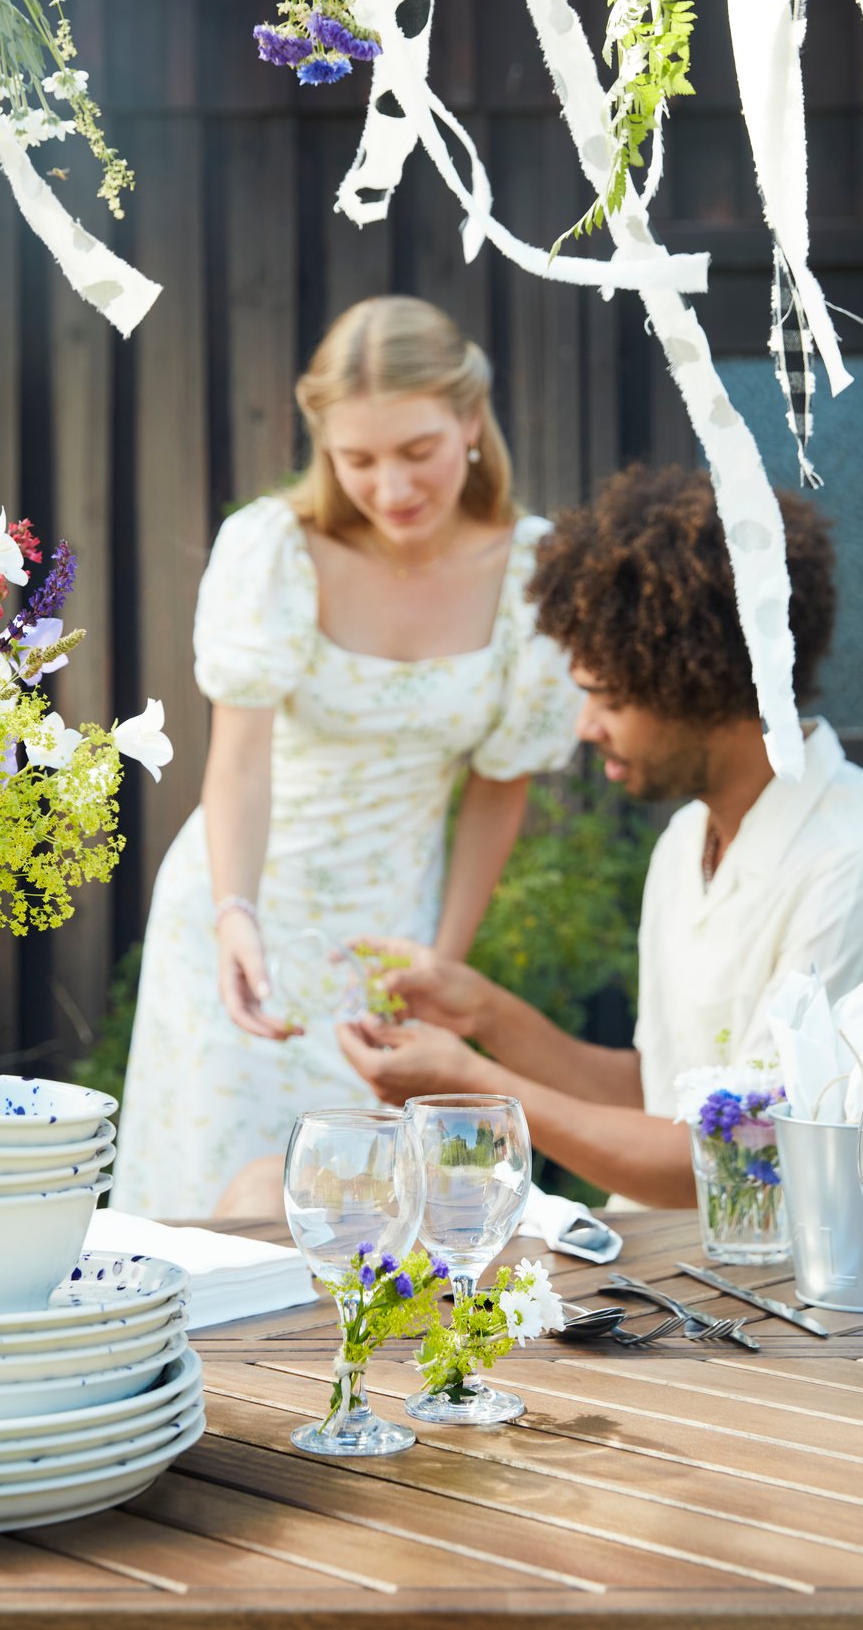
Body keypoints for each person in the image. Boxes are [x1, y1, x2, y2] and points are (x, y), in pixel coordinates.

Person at [337, 464, 863, 1207]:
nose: (585, 728)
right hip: (672, 1263)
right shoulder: (688, 841)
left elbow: (748, 1158)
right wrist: (483, 1014)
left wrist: (469, 1084)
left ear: (705, 680)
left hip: (788, 1291)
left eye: (610, 699)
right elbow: (663, 1099)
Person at [110, 296, 582, 1218]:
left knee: (367, 1219)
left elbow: (498, 789)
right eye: (356, 459)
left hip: (393, 935)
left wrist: (441, 966)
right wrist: (233, 914)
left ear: (471, 421)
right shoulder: (276, 551)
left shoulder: (532, 571)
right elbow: (240, 761)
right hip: (245, 922)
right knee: (223, 1215)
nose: (392, 487)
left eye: (417, 452)